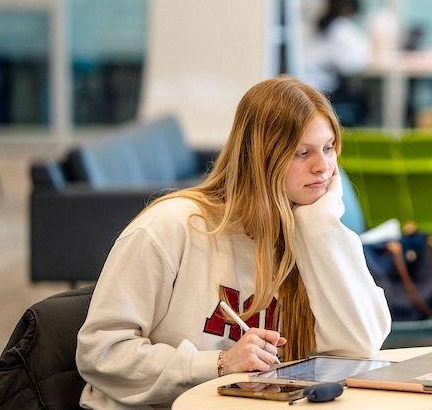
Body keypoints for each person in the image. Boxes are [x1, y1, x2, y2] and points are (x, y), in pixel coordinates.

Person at [76, 77, 391, 408]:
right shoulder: (173, 226)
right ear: (260, 158)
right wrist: (219, 365)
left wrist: (320, 228)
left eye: (329, 148)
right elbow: (101, 352)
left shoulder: (310, 232)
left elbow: (360, 349)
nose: (323, 167)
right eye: (302, 153)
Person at [302, 0, 372, 125]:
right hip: (322, 91)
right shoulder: (341, 29)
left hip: (304, 86)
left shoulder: (311, 25)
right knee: (363, 100)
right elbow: (350, 65)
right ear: (350, 10)